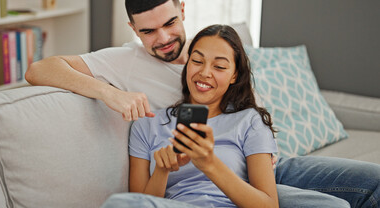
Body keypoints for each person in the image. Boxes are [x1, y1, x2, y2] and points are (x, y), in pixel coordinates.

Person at [26, 0, 380, 208]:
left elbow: (247, 107)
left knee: (371, 184)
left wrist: (260, 148)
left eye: (169, 23)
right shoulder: (126, 62)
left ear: (182, 11)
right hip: (201, 174)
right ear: (133, 29)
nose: (163, 39)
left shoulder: (214, 47)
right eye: (148, 31)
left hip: (266, 160)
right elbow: (39, 69)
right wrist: (107, 92)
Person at [110, 24, 279, 207]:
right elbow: (138, 203)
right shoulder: (147, 124)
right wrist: (162, 170)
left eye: (219, 67)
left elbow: (269, 205)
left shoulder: (250, 121)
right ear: (187, 63)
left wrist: (209, 163)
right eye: (197, 61)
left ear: (234, 75)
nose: (205, 73)